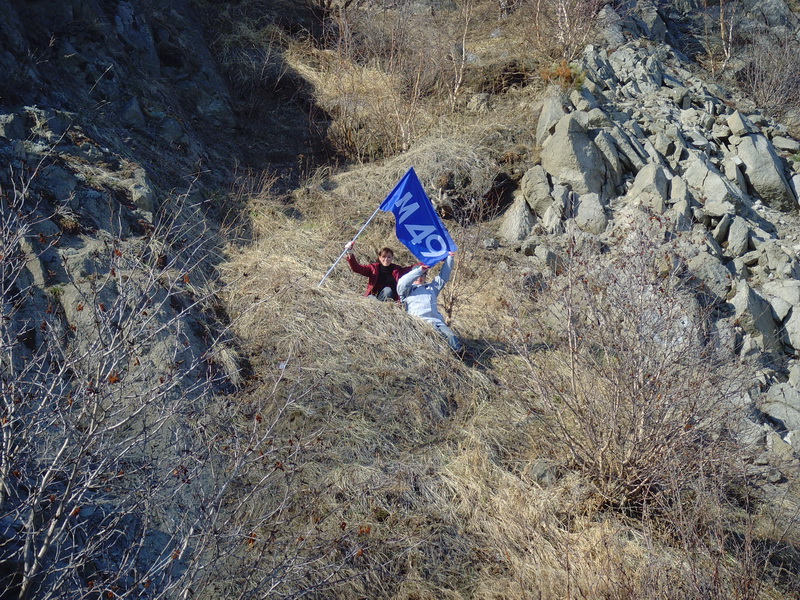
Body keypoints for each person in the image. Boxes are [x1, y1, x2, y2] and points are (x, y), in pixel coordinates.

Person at [397, 251, 463, 353]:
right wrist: (420, 270)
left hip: (437, 321)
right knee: (435, 341)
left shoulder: (432, 288)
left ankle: (459, 355)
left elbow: (443, 277)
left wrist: (450, 258)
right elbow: (402, 282)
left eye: (423, 275)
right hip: (419, 322)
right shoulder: (407, 291)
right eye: (418, 275)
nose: (420, 277)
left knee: (451, 337)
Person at [344, 241, 412, 302]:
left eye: (389, 257)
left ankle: (382, 306)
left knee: (387, 290)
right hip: (374, 298)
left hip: (389, 300)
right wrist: (350, 252)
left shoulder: (397, 270)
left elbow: (411, 269)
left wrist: (420, 261)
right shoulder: (373, 268)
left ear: (392, 258)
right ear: (379, 257)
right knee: (371, 297)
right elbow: (357, 268)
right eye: (384, 256)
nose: (386, 259)